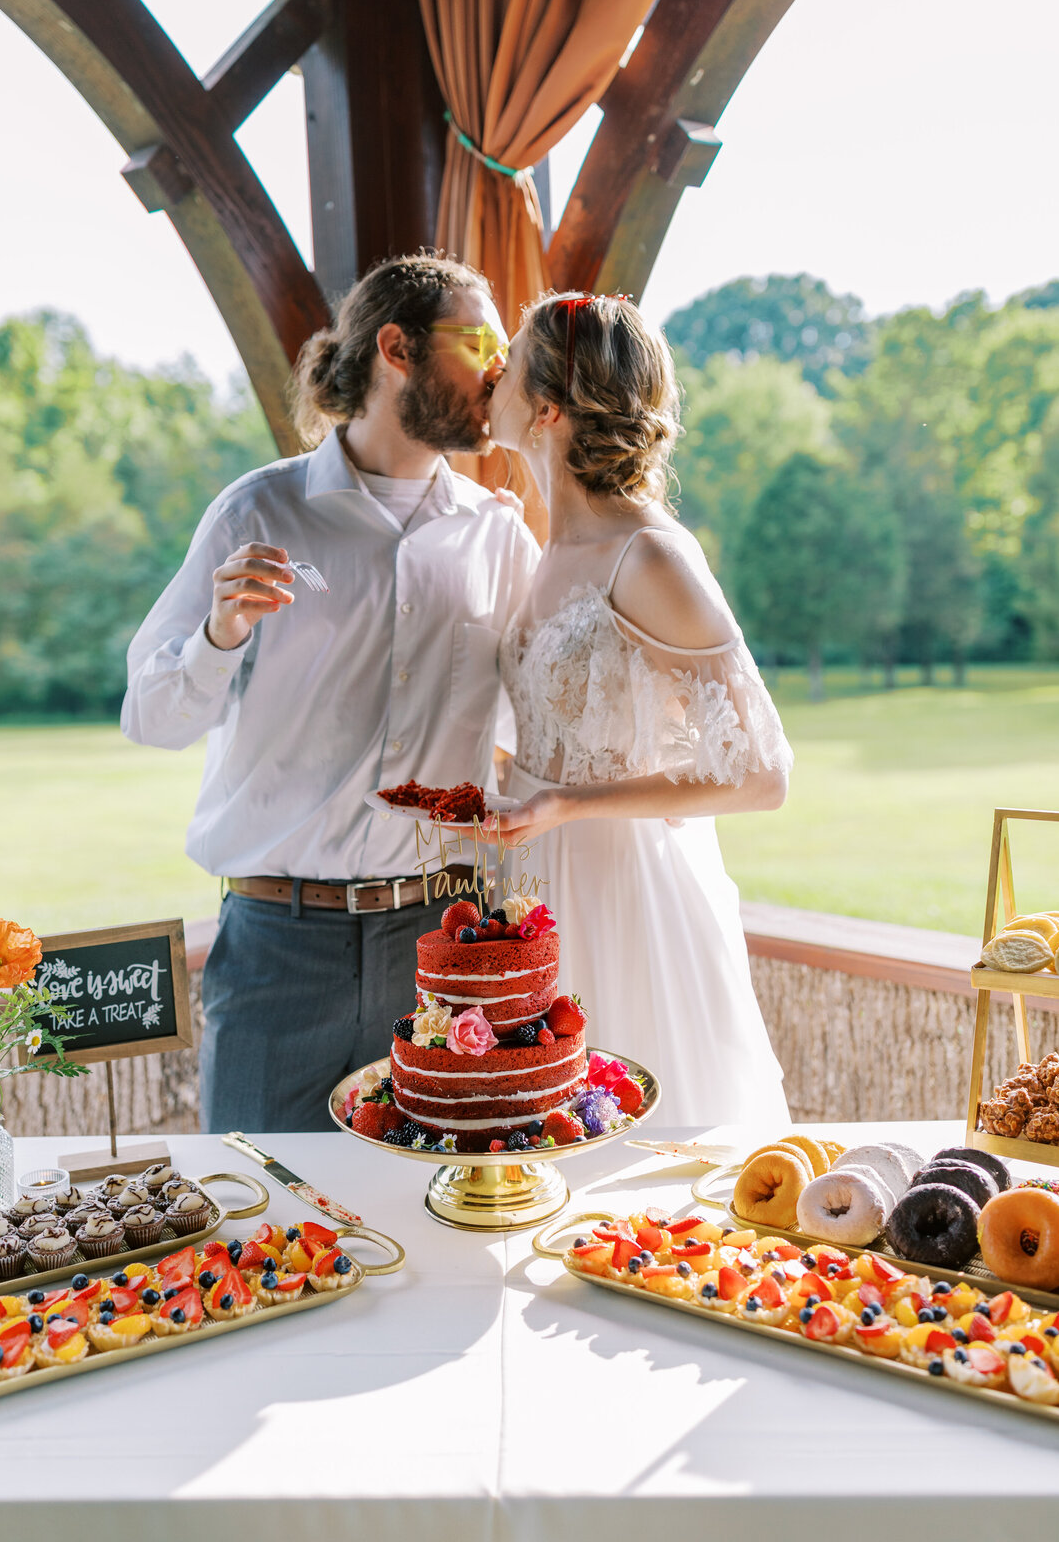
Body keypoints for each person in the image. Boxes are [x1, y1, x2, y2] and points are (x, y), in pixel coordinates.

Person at [121, 255, 538, 1132]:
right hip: (276, 950)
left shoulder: (498, 538)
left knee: (432, 1227)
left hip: (438, 945)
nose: (499, 366)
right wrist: (218, 636)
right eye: (478, 342)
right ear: (397, 347)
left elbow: (545, 724)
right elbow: (150, 718)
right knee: (258, 1216)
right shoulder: (257, 514)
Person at [487, 292, 793, 1129]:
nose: (492, 374)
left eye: (508, 363)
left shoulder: (648, 554)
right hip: (531, 885)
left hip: (625, 891)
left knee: (634, 1151)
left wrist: (567, 804)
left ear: (546, 408)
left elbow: (762, 774)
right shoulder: (543, 546)